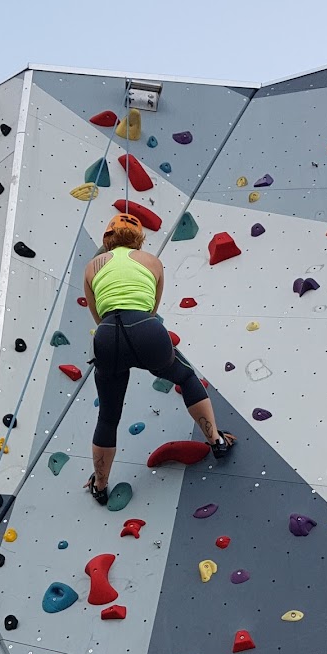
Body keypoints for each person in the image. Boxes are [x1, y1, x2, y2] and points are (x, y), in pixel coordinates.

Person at [82, 214, 235, 503]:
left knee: (109, 415)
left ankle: (100, 485)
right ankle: (216, 440)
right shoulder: (152, 261)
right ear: (139, 239)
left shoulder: (92, 266)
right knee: (186, 376)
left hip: (107, 334)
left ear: (106, 238)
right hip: (145, 329)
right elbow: (151, 308)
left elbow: (97, 314)